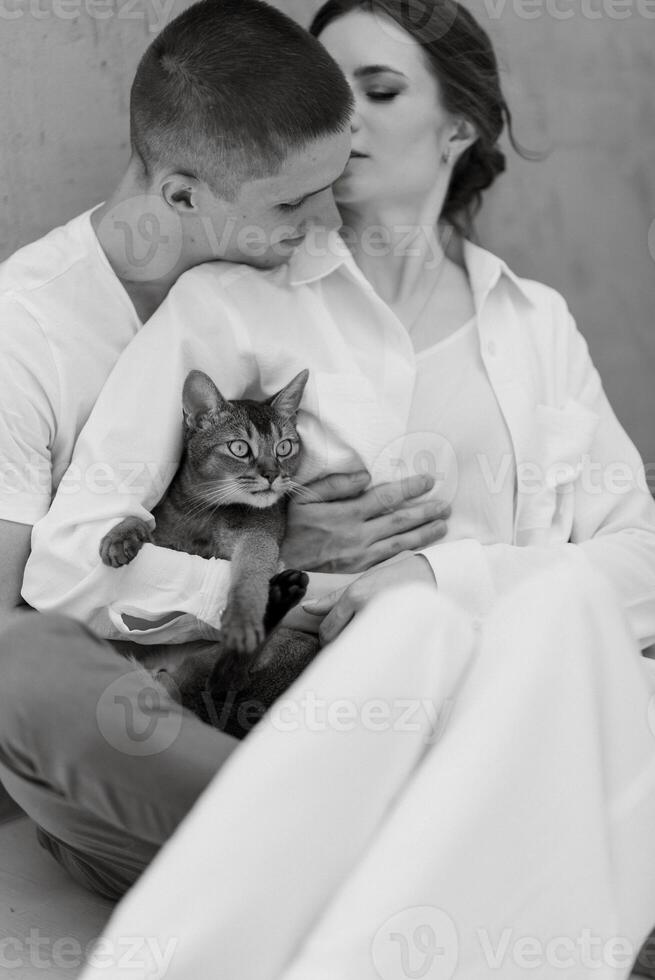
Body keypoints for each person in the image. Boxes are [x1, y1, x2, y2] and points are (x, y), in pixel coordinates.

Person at [6, 0, 655, 908]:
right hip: (284, 716)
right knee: (31, 675)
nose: (341, 124)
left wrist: (435, 578)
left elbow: (639, 562)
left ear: (459, 124)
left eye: (376, 91)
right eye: (325, 91)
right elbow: (72, 558)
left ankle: (425, 854)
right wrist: (274, 576)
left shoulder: (532, 321)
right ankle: (429, 861)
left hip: (486, 700)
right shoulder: (230, 303)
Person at [0, 0, 445, 633]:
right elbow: (8, 635)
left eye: (333, 186)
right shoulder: (22, 336)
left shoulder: (295, 280)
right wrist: (277, 562)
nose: (331, 225)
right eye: (292, 202)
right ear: (183, 196)